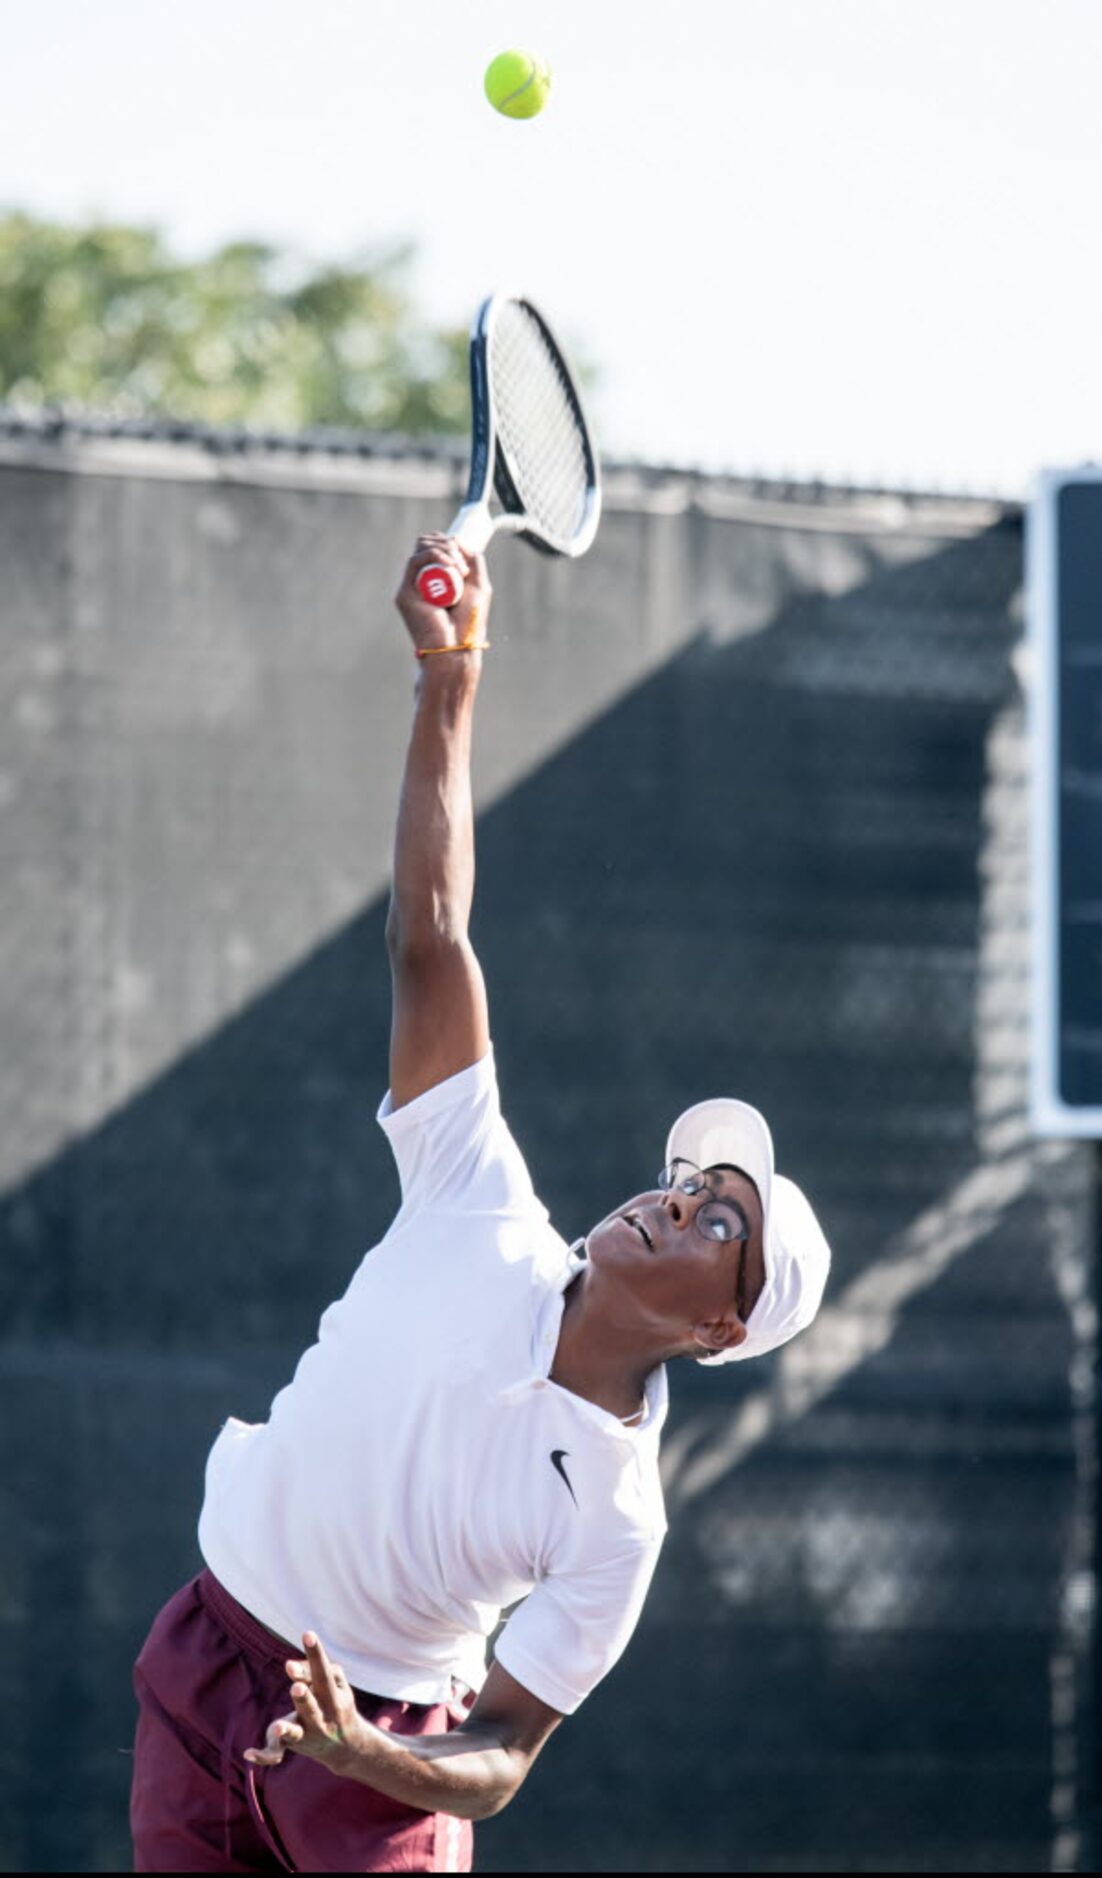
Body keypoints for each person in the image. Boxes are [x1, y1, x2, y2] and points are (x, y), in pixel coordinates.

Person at [129, 536, 831, 1873]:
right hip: (204, 1654)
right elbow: (429, 936)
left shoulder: (615, 1513)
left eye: (718, 1221)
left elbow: (503, 1748)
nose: (676, 1203)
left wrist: (364, 1754)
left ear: (718, 1332)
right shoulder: (477, 1198)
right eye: (689, 1183)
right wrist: (449, 673)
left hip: (380, 1757)